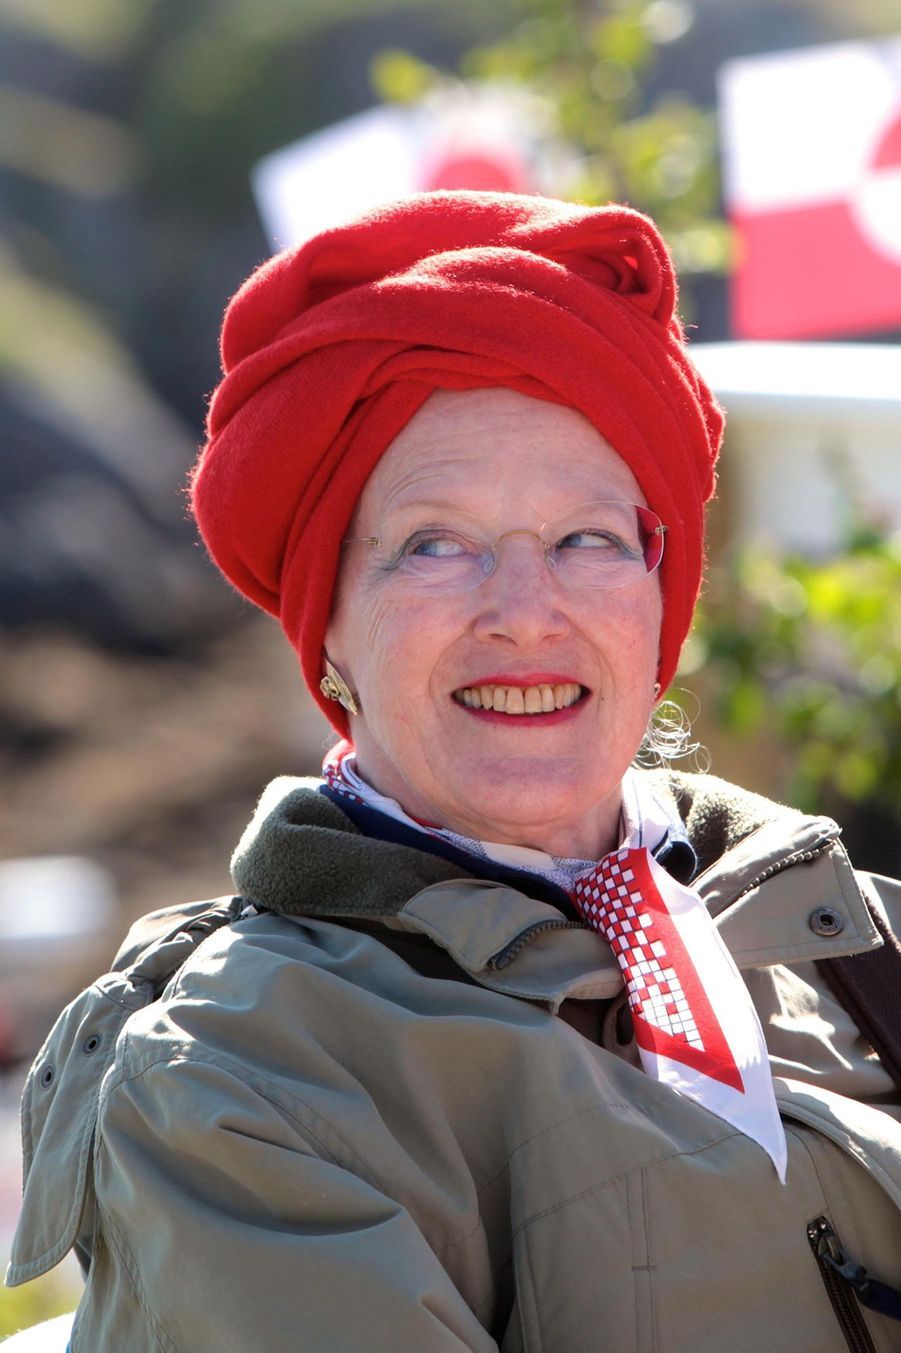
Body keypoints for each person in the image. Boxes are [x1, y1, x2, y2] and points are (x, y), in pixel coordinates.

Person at [5, 191, 901, 1352]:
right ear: (325, 622)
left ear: (658, 594)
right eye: (435, 544)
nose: (524, 613)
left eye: (587, 539)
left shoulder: (849, 938)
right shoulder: (241, 1079)